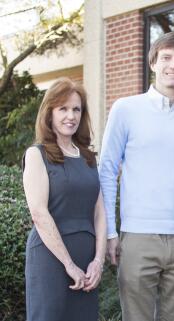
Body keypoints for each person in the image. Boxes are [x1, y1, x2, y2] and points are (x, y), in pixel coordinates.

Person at [99, 31, 174, 321]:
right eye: (166, 57)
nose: (173, 64)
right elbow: (107, 171)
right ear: (153, 63)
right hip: (137, 237)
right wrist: (111, 233)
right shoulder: (125, 109)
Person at [23, 78, 107, 321]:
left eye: (76, 109)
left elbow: (99, 213)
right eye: (63, 109)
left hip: (87, 260)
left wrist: (98, 262)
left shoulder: (88, 157)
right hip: (51, 260)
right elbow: (39, 213)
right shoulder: (37, 155)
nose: (71, 115)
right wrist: (69, 264)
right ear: (49, 112)